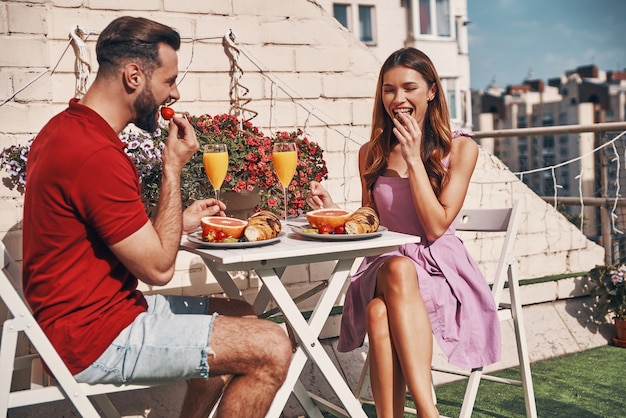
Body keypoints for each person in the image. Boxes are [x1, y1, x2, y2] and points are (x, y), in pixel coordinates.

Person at [22, 16, 292, 418]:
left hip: (94, 316)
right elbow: (159, 269)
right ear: (134, 76)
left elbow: (108, 235)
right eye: (169, 80)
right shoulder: (95, 154)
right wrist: (172, 167)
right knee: (273, 346)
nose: (175, 93)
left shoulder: (67, 129)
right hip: (93, 337)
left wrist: (176, 223)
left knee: (241, 313)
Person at [307, 47, 501, 418]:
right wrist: (333, 212)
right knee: (396, 268)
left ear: (431, 91)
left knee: (380, 313)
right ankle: (430, 413)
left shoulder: (460, 148)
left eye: (409, 88)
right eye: (388, 90)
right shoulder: (371, 152)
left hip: (438, 269)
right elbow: (372, 220)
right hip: (384, 267)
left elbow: (435, 226)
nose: (398, 99)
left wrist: (413, 159)